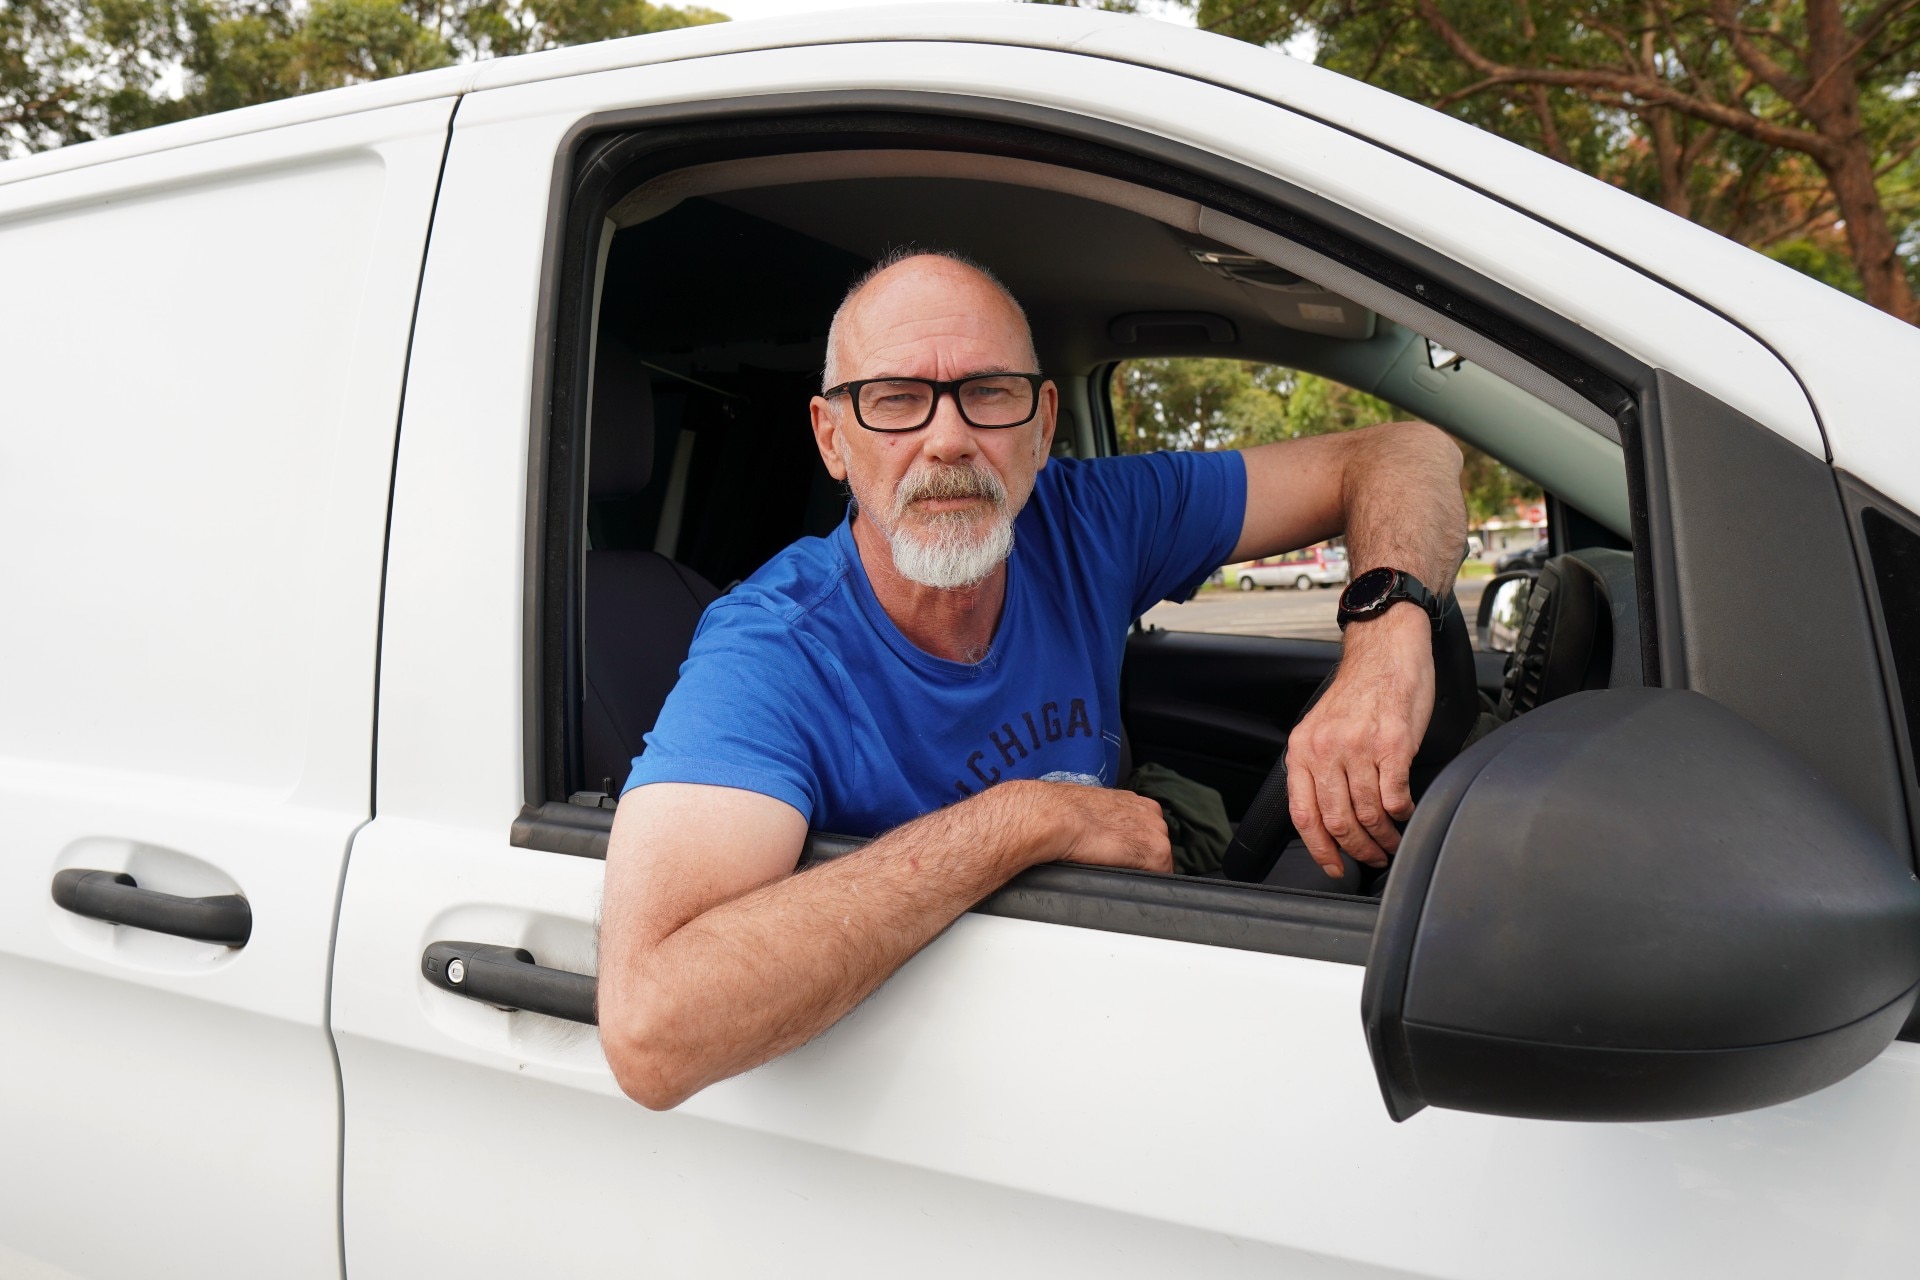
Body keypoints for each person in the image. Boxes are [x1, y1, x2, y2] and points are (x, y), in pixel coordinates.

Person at [598, 249, 1466, 1110]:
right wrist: (1028, 816)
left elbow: (1405, 452)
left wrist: (1386, 644)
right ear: (833, 438)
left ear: (1043, 423)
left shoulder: (1090, 516)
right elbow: (651, 1031)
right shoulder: (774, 649)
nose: (947, 439)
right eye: (896, 399)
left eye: (989, 393)